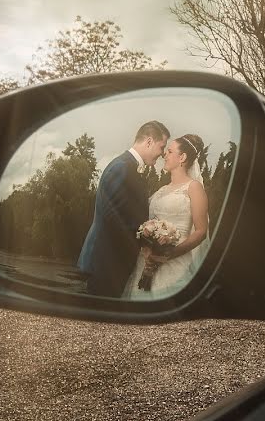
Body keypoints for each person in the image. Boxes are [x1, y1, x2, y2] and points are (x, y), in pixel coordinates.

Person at [77, 121, 170, 297]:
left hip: (112, 262)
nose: (162, 153)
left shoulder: (129, 167)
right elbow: (111, 216)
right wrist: (146, 240)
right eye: (161, 146)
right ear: (149, 141)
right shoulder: (122, 167)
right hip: (106, 262)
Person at [123, 134, 212, 300]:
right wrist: (148, 246)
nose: (165, 154)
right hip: (147, 262)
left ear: (182, 157)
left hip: (176, 265)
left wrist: (168, 254)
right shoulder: (161, 191)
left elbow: (201, 232)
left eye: (170, 151)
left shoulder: (194, 188)